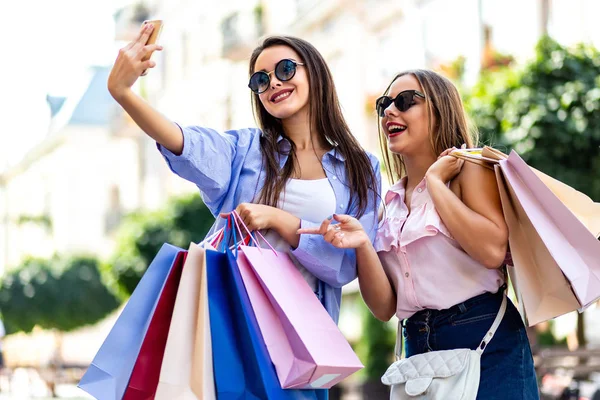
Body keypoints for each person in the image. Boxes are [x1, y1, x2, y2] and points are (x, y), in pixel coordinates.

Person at [106, 24, 381, 324]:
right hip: (235, 326)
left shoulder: (361, 167)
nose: (274, 82)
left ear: (315, 73)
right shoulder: (244, 151)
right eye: (261, 80)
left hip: (307, 335)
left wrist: (280, 220)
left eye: (285, 69)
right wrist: (123, 93)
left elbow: (345, 266)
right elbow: (183, 142)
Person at [299, 69, 539, 399]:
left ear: (440, 109)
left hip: (485, 340)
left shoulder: (469, 170)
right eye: (385, 104)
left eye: (405, 101)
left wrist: (436, 184)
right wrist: (363, 246)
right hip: (417, 351)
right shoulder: (389, 203)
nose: (389, 111)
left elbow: (491, 251)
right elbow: (384, 308)